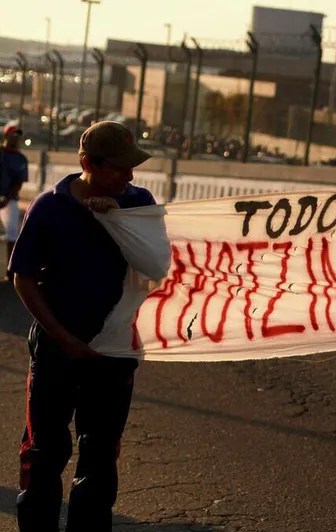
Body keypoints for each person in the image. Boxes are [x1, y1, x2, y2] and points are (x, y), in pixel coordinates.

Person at [10, 121, 156, 531]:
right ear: (88, 164)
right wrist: (61, 336)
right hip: (56, 348)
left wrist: (119, 221)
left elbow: (157, 263)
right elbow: (23, 278)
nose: (129, 176)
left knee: (100, 453)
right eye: (118, 167)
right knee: (44, 451)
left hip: (114, 351)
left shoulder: (138, 202)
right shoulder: (50, 207)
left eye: (132, 166)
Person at [0, 124, 28, 281]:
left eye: (18, 136)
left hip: (8, 199)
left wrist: (6, 198)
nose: (16, 139)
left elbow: (19, 183)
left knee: (12, 233)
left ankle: (10, 272)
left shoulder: (20, 158)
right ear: (6, 136)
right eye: (13, 135)